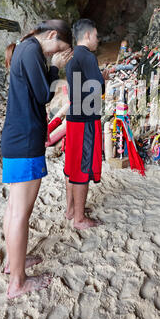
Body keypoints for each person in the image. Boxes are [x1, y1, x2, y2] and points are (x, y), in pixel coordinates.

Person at [1, 19, 73, 299]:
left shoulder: (23, 47)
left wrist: (53, 61)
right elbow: (45, 94)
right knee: (21, 213)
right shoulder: (31, 49)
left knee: (13, 208)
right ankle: (17, 282)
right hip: (25, 139)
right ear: (52, 35)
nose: (58, 51)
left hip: (16, 136)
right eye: (60, 47)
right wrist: (55, 64)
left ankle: (12, 262)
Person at [64, 19, 110, 230]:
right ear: (89, 35)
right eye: (97, 35)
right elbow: (96, 88)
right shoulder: (88, 57)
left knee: (72, 165)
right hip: (85, 119)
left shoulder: (73, 57)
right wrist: (104, 78)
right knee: (82, 167)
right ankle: (79, 219)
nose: (98, 40)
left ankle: (71, 209)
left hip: (74, 117)